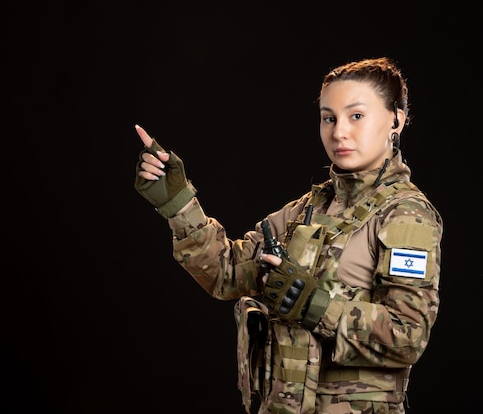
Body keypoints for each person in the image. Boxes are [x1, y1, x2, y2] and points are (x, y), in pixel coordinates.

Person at [133, 57, 443, 414]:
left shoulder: (406, 215)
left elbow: (408, 336)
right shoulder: (306, 210)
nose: (339, 131)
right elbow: (226, 273)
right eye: (329, 117)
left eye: (356, 116)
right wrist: (178, 202)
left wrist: (316, 306)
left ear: (396, 120)